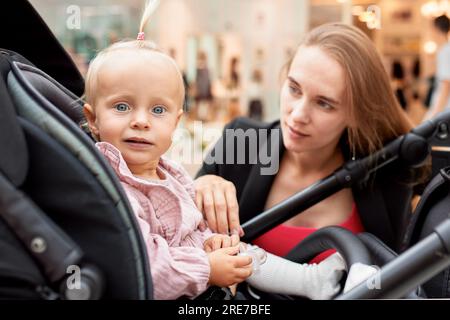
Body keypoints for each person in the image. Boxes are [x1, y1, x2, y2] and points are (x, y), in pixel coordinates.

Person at [81, 1, 362, 300]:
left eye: (157, 109)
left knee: (243, 252)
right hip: (195, 290)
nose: (140, 121)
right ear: (92, 118)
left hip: (211, 278)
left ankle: (310, 281)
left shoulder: (167, 172)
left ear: (176, 121)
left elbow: (192, 228)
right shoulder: (115, 188)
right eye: (122, 107)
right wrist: (208, 265)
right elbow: (142, 267)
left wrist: (213, 242)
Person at [195, 23, 428, 257]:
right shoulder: (241, 142)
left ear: (357, 114)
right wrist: (197, 187)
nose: (297, 115)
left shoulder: (386, 172)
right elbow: (176, 241)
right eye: (294, 89)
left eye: (324, 103)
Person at [424, 15, 450, 120]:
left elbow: (446, 84)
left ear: (436, 29)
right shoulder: (444, 50)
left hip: (444, 106)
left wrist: (435, 114)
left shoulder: (445, 51)